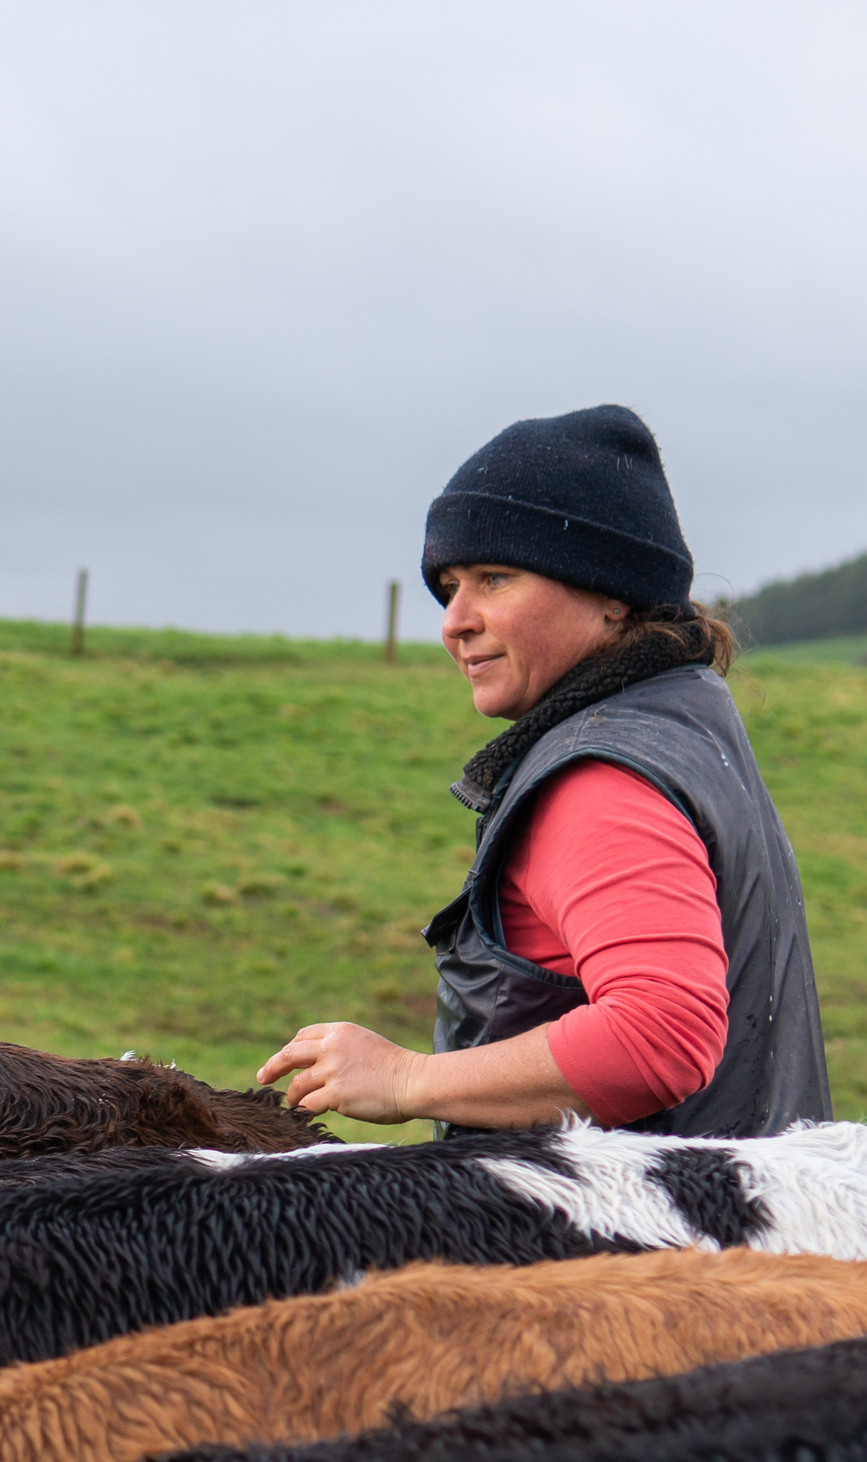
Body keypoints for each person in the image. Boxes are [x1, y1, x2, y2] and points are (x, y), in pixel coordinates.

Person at [259, 404, 829, 1138]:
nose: (453, 620)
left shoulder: (600, 776)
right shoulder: (687, 731)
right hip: (738, 1230)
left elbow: (661, 1034)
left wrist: (408, 1079)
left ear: (612, 597)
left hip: (632, 1248)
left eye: (494, 579)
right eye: (448, 585)